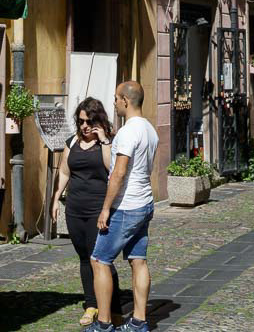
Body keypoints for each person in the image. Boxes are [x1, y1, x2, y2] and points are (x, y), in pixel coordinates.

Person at [89, 80, 159, 332]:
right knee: (138, 259)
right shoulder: (149, 129)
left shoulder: (129, 131)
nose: (114, 102)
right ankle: (139, 322)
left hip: (126, 206)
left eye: (116, 98)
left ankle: (104, 323)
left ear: (126, 101)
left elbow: (118, 173)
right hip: (144, 203)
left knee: (99, 260)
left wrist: (106, 208)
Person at [51, 98, 122, 327]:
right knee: (84, 257)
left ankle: (113, 306)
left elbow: (111, 168)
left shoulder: (107, 143)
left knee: (100, 259)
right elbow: (64, 172)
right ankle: (91, 304)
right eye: (81, 121)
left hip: (98, 209)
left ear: (98, 121)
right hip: (74, 208)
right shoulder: (72, 142)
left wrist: (102, 140)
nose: (84, 126)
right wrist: (55, 199)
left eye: (89, 121)